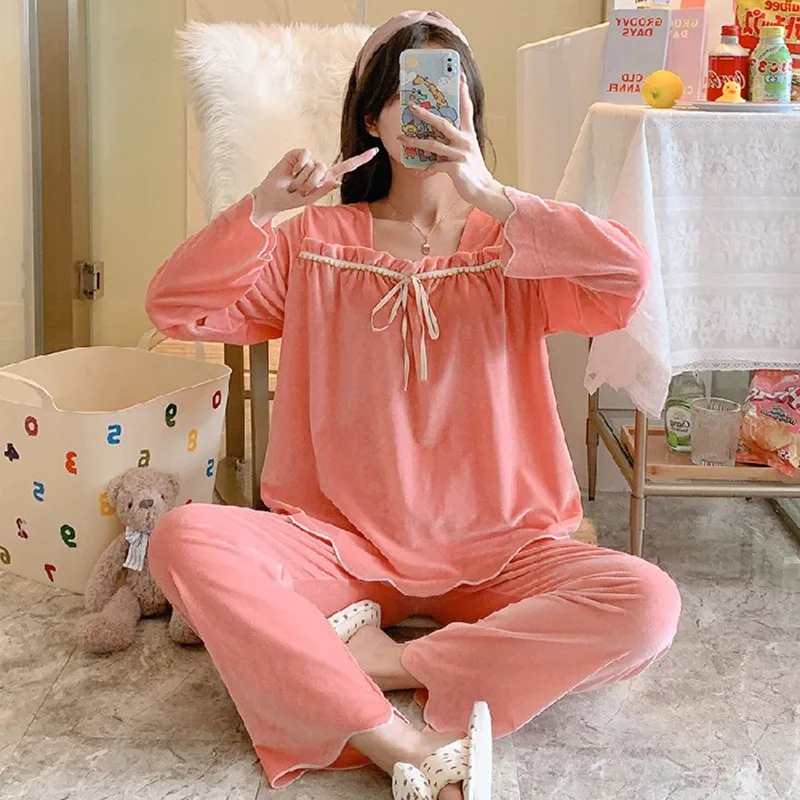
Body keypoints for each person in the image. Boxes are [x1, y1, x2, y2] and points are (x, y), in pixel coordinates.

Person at [145, 9, 681, 800]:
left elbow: (627, 279)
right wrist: (258, 211)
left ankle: (382, 662)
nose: (425, 107)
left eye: (443, 87)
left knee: (647, 605)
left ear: (470, 108)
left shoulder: (512, 243)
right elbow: (174, 307)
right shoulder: (314, 240)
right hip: (339, 546)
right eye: (403, 92)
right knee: (183, 538)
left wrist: (493, 196)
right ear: (372, 117)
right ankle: (398, 742)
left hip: (502, 547)